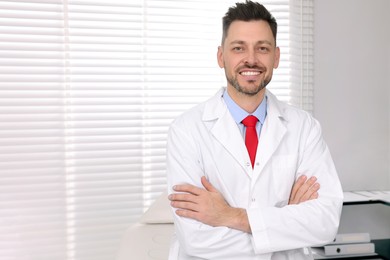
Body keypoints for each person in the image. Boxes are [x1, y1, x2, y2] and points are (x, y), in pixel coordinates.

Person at [166, 1, 343, 259]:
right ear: (220, 56)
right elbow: (196, 239)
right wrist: (283, 229)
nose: (251, 59)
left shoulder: (304, 128)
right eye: (239, 48)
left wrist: (230, 216)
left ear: (276, 57)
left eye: (262, 48)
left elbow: (325, 222)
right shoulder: (186, 130)